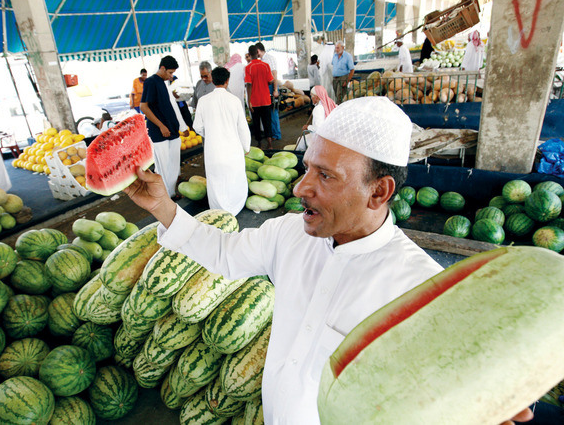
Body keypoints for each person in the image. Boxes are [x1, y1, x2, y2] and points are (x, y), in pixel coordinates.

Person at [122, 96, 536, 424]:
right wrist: (163, 208)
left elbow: (456, 388)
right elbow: (223, 253)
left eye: (326, 176)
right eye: (307, 169)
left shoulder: (423, 291)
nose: (301, 187)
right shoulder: (288, 233)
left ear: (379, 191)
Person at [193, 67, 251, 216]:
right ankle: (235, 208)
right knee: (235, 177)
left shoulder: (203, 101)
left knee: (216, 180)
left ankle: (219, 211)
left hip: (213, 151)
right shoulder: (234, 100)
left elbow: (197, 126)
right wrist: (246, 145)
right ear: (227, 81)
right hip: (233, 149)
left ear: (212, 79)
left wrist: (211, 134)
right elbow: (242, 127)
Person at [140, 55, 189, 197]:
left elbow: (170, 105)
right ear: (162, 68)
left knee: (174, 165)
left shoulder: (164, 83)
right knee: (164, 167)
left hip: (172, 131)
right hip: (159, 133)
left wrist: (181, 127)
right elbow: (144, 107)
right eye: (170, 72)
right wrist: (161, 126)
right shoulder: (151, 82)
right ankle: (166, 196)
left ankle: (173, 192)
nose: (171, 76)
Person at [245, 45, 274, 150]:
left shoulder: (248, 67)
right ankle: (270, 144)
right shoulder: (266, 65)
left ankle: (260, 144)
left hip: (255, 101)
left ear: (249, 54)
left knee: (256, 123)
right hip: (266, 99)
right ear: (257, 53)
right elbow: (271, 80)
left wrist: (249, 101)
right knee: (267, 122)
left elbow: (249, 84)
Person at [256, 42, 282, 142]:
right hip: (268, 87)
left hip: (271, 87)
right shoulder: (262, 60)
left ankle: (276, 134)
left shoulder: (269, 59)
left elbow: (274, 75)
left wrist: (275, 89)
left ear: (258, 50)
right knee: (269, 112)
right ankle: (272, 133)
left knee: (273, 111)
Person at [298, 85, 336, 151]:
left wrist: (308, 127)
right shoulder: (331, 103)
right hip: (331, 137)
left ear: (317, 97)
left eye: (312, 96)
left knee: (300, 140)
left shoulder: (318, 109)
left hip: (321, 139)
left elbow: (318, 128)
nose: (311, 98)